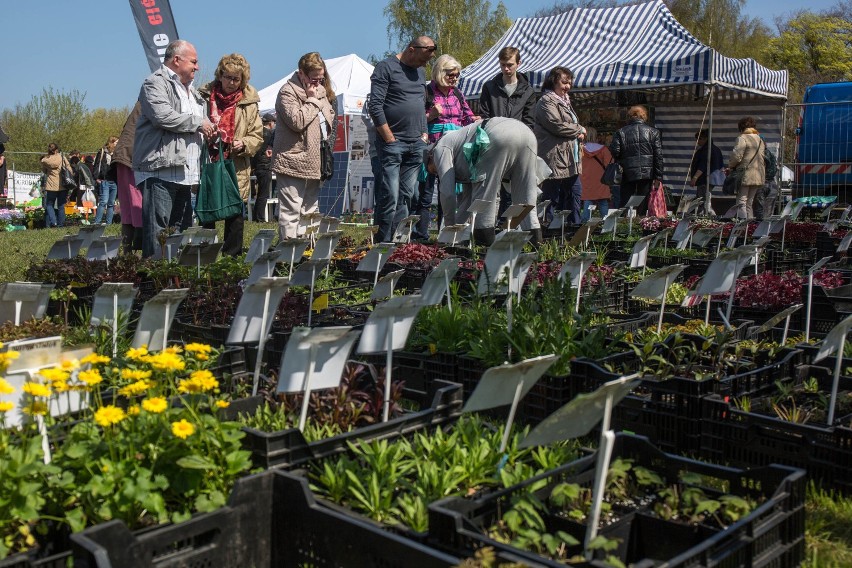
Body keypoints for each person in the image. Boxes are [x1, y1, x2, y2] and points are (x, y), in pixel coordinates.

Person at [133, 40, 217, 258]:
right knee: (158, 232)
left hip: (186, 173)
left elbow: (200, 121)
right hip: (161, 171)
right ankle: (153, 282)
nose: (197, 67)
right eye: (194, 62)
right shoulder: (154, 83)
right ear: (177, 60)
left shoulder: (193, 92)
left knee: (179, 232)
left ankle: (174, 282)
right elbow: (163, 116)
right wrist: (199, 123)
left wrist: (211, 129)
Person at [427, 117, 543, 246]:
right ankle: (536, 246)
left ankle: (484, 250)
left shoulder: (441, 147)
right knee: (525, 197)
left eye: (433, 171)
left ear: (430, 156)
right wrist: (453, 235)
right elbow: (467, 202)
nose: (436, 173)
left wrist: (449, 227)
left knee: (485, 195)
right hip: (527, 133)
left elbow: (447, 193)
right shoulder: (462, 141)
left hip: (498, 134)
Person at [368, 36, 434, 243]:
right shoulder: (385, 68)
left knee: (407, 196)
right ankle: (382, 242)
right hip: (393, 143)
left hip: (416, 143)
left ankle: (398, 242)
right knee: (390, 195)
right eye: (423, 58)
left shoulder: (421, 72)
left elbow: (421, 104)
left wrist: (424, 133)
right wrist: (388, 137)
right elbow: (375, 105)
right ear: (412, 49)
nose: (425, 64)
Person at [199, 53, 264, 256]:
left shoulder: (249, 103)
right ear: (220, 75)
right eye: (228, 77)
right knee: (207, 211)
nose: (231, 82)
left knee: (235, 214)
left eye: (236, 79)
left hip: (236, 164)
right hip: (208, 161)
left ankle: (231, 260)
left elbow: (257, 136)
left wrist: (243, 144)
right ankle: (204, 258)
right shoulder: (203, 97)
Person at [413, 54, 479, 240]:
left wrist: (474, 120)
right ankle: (421, 234)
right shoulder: (426, 93)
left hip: (454, 148)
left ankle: (447, 233)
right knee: (425, 193)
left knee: (448, 191)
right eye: (451, 75)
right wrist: (431, 115)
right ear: (441, 73)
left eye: (457, 75)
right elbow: (416, 120)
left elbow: (467, 117)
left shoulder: (458, 94)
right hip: (431, 146)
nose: (455, 78)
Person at [271, 52, 336, 240]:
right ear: (301, 74)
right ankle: (288, 256)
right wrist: (313, 100)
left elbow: (329, 117)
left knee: (310, 209)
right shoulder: (287, 92)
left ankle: (308, 248)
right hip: (292, 159)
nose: (317, 84)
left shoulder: (321, 91)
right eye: (313, 79)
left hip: (315, 159)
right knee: (291, 210)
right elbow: (297, 121)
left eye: (321, 79)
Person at [477, 46, 536, 223]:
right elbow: (484, 116)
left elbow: (530, 122)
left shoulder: (528, 91)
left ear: (519, 63)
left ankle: (511, 226)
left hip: (518, 145)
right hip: (493, 143)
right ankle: (490, 226)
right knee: (491, 188)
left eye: (510, 65)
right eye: (502, 65)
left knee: (514, 189)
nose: (506, 69)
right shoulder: (489, 87)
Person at [534, 66, 586, 226]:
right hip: (555, 157)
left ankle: (573, 226)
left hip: (571, 158)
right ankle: (545, 228)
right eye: (564, 82)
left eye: (569, 83)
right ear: (553, 81)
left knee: (575, 192)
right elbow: (556, 124)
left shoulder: (564, 101)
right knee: (551, 196)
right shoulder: (546, 101)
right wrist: (579, 129)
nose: (567, 86)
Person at [610, 105, 663, 216]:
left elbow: (615, 152)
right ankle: (641, 223)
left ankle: (623, 225)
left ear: (630, 117)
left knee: (625, 200)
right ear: (644, 117)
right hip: (647, 172)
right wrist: (658, 176)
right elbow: (658, 156)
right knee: (643, 201)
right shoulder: (653, 132)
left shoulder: (621, 132)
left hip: (627, 171)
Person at [114, 103, 143, 251]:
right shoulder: (151, 101)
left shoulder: (139, 105)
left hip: (125, 156)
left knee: (128, 206)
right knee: (137, 204)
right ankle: (139, 247)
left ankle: (127, 251)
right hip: (132, 157)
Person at [727, 116, 765, 220]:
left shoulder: (742, 138)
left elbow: (737, 156)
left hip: (745, 173)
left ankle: (742, 225)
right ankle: (750, 225)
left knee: (741, 201)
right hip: (758, 174)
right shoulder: (760, 139)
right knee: (750, 202)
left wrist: (730, 166)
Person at [579, 127, 612, 222]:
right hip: (601, 180)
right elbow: (609, 165)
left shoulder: (580, 149)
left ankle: (585, 226)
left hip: (585, 180)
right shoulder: (603, 149)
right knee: (603, 202)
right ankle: (605, 224)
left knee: (587, 202)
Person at [689, 129, 723, 216]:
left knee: (702, 199)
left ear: (705, 139)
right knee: (706, 198)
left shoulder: (706, 151)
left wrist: (695, 177)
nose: (698, 142)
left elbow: (702, 166)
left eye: (699, 139)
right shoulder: (716, 149)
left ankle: (707, 215)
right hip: (713, 179)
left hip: (704, 179)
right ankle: (706, 214)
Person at [251, 112, 276, 221]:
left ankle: (256, 216)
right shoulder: (269, 134)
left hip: (258, 166)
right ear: (270, 123)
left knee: (260, 193)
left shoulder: (258, 134)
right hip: (265, 166)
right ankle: (260, 218)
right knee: (264, 194)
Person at [40, 143, 69, 227]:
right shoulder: (62, 157)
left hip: (51, 185)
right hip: (62, 185)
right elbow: (68, 167)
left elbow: (45, 171)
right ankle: (60, 224)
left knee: (49, 205)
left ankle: (53, 221)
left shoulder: (46, 160)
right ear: (56, 150)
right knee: (61, 206)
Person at [92, 136, 119, 224]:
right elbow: (96, 165)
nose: (117, 144)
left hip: (114, 181)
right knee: (103, 201)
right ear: (111, 143)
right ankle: (97, 222)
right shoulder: (103, 152)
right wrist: (96, 178)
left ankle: (109, 223)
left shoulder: (117, 153)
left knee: (111, 203)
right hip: (105, 180)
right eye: (116, 142)